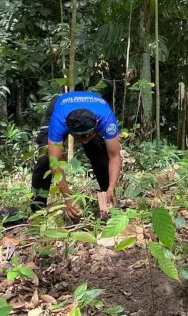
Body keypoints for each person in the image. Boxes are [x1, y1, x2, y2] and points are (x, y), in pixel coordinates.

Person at [31, 90, 122, 219]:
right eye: (80, 138)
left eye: (88, 136)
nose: (85, 141)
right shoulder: (58, 122)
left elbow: (114, 156)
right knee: (45, 158)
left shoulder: (106, 119)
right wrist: (67, 197)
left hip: (96, 107)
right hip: (60, 106)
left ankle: (108, 196)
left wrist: (112, 186)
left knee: (99, 152)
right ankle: (37, 207)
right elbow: (54, 162)